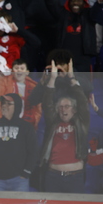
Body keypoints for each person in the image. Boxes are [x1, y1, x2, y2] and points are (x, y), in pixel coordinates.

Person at [38, 60, 89, 193]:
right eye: (60, 107)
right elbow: (47, 104)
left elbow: (82, 100)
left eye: (67, 106)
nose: (63, 109)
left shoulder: (81, 122)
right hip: (53, 176)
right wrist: (52, 79)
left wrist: (71, 77)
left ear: (74, 109)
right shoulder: (53, 122)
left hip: (75, 177)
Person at [0, 93, 37, 192]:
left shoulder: (26, 127)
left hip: (19, 180)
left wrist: (26, 172)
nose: (4, 106)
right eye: (3, 103)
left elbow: (33, 151)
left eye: (8, 104)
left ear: (17, 106)